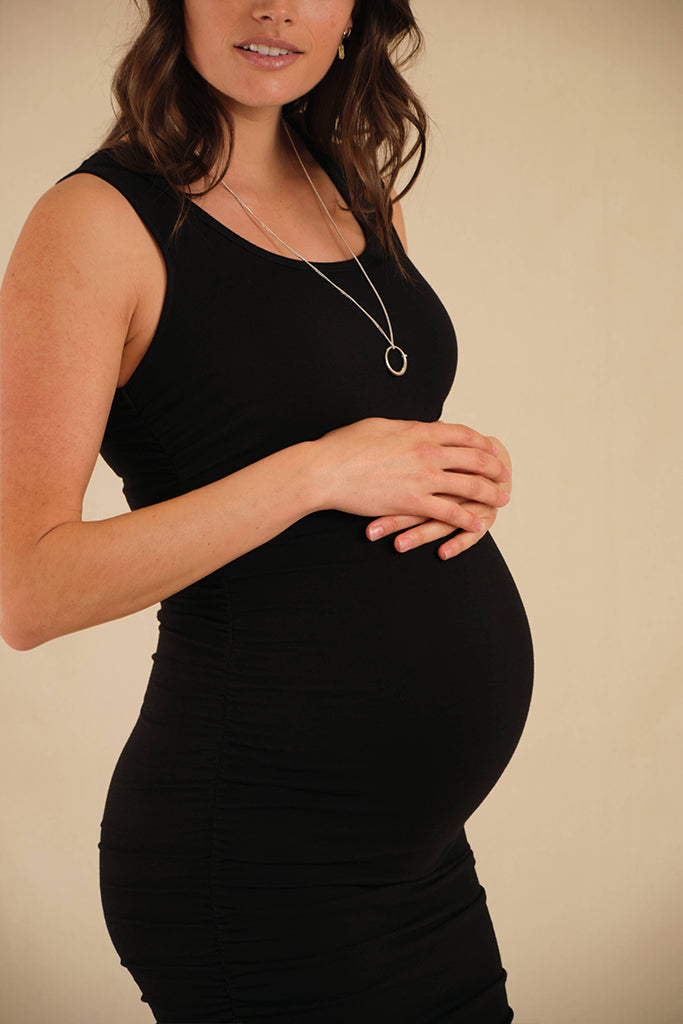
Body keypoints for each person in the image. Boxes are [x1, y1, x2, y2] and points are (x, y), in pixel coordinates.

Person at [0, 1, 534, 1021]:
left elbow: (365, 440)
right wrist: (313, 474)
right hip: (256, 854)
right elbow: (27, 588)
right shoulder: (97, 221)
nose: (273, 6)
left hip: (411, 857)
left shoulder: (356, 191)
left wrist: (457, 470)